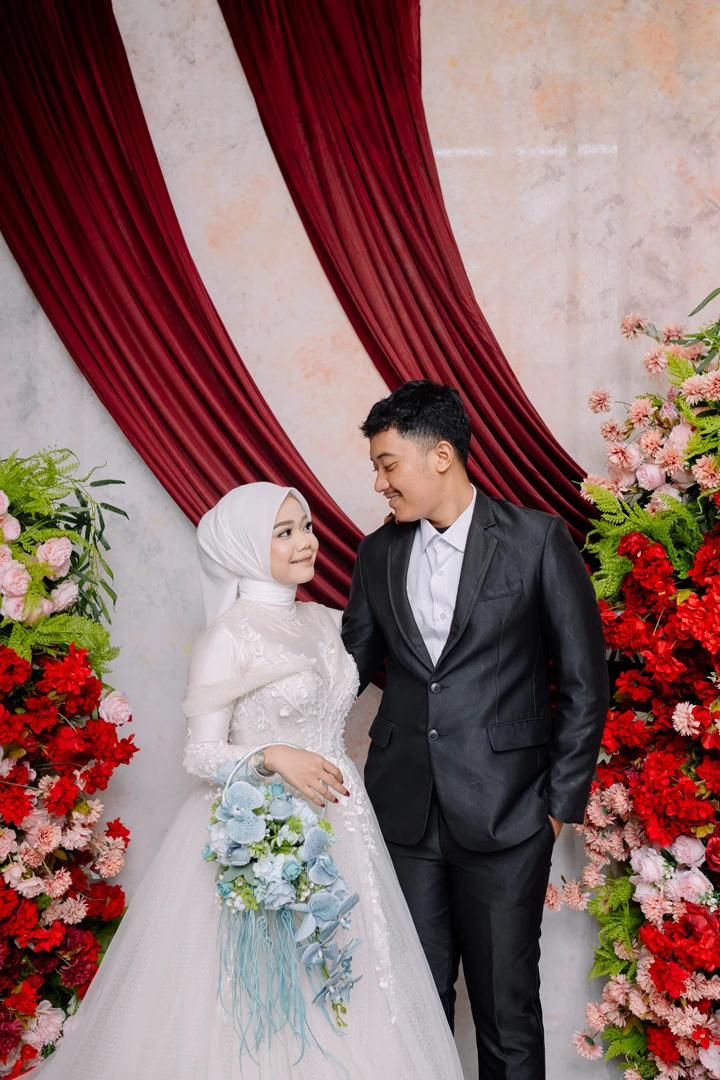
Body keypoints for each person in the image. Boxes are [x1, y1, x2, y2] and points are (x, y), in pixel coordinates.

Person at [37, 482, 464, 1080]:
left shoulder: (325, 620)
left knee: (355, 976)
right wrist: (272, 756)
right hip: (264, 826)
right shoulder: (226, 636)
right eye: (283, 532)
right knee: (266, 988)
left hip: (344, 823)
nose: (306, 541)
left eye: (306, 526)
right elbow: (200, 754)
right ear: (242, 546)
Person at [341, 380, 610, 1080]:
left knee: (506, 1013)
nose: (379, 483)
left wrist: (555, 812)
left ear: (441, 456)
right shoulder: (376, 553)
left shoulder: (537, 540)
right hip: (403, 815)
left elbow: (585, 684)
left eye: (387, 464)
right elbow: (348, 672)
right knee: (413, 1012)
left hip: (510, 816)